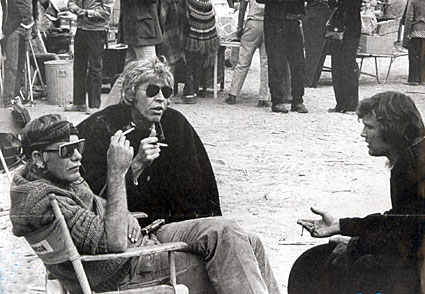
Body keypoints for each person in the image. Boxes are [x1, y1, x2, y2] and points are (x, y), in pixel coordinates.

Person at [9, 113, 281, 294]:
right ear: (37, 157)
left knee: (242, 237)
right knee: (233, 252)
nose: (77, 156)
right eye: (66, 151)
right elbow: (115, 244)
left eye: (78, 146)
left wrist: (121, 216)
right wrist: (116, 172)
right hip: (126, 268)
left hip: (140, 243)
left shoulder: (49, 179)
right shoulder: (46, 200)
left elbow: (99, 208)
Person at [289, 91, 425, 294]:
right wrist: (342, 226)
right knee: (320, 259)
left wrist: (356, 246)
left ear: (392, 129)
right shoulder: (410, 158)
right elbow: (399, 221)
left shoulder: (413, 166)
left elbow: (407, 234)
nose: (363, 134)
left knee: (319, 266)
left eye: (369, 127)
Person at [77, 57, 222, 224]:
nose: (160, 98)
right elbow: (91, 197)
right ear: (131, 93)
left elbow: (198, 184)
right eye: (152, 91)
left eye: (166, 92)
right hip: (124, 225)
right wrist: (136, 165)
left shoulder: (175, 123)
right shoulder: (102, 127)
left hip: (170, 221)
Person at [64, 0, 114, 114]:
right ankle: (79, 103)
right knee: (78, 66)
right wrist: (76, 9)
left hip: (97, 31)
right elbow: (71, 2)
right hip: (81, 29)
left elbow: (107, 11)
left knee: (95, 68)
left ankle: (94, 105)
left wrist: (87, 13)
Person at [258, 0, 308, 113]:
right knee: (276, 62)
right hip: (274, 21)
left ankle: (298, 100)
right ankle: (277, 101)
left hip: (293, 21)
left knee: (298, 63)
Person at [225, 0, 272, 107]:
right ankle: (263, 97)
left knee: (243, 61)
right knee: (265, 63)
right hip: (268, 23)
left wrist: (240, 26)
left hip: (253, 23)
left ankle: (233, 93)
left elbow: (242, 7)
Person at [175, 0, 219, 105]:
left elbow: (182, 19)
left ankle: (189, 94)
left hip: (192, 38)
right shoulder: (207, 2)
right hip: (206, 38)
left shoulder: (188, 2)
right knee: (198, 66)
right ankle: (194, 91)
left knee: (188, 65)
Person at [327, 0, 362, 113]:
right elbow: (331, 4)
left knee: (348, 64)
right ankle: (340, 103)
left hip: (351, 28)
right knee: (336, 65)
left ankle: (351, 104)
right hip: (338, 25)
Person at [1, 0, 38, 107]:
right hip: (13, 29)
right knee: (11, 66)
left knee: (20, 66)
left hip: (27, 28)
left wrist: (34, 24)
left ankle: (15, 96)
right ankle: (8, 100)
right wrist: (5, 28)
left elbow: (34, 5)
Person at [405, 0, 425, 85]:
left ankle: (413, 79)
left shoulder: (413, 1)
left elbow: (409, 18)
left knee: (413, 55)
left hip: (415, 31)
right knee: (423, 56)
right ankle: (422, 79)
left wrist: (407, 33)